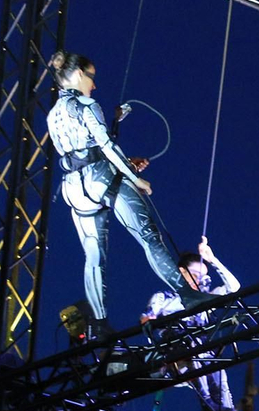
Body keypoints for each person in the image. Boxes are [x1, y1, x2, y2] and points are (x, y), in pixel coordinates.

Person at [44, 50, 205, 336]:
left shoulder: (52, 115)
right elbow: (105, 147)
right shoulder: (86, 104)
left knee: (93, 255)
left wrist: (118, 134)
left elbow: (83, 151)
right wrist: (135, 179)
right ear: (80, 74)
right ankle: (188, 294)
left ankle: (98, 324)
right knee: (148, 235)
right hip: (100, 179)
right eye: (92, 78)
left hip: (73, 188)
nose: (94, 85)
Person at [143, 236, 243, 411]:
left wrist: (213, 260)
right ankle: (206, 401)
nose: (203, 281)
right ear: (183, 273)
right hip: (174, 355)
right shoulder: (165, 298)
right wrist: (152, 323)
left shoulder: (205, 299)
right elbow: (147, 320)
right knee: (193, 346)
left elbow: (234, 288)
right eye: (197, 275)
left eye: (205, 276)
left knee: (219, 372)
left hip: (199, 356)